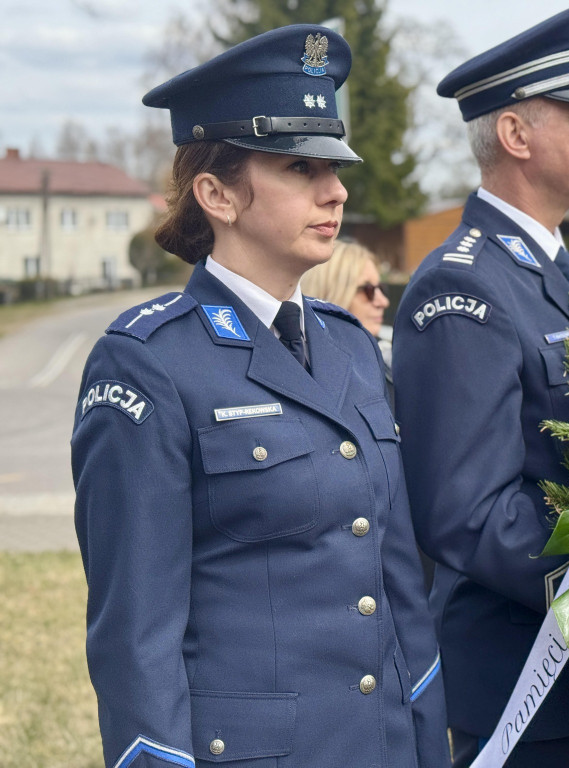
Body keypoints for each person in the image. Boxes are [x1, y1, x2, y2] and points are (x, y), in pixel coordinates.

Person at [71, 25, 448, 768]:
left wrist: (423, 729)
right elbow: (134, 634)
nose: (335, 189)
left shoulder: (350, 346)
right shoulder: (149, 364)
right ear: (216, 194)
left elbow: (398, 577)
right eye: (299, 166)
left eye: (334, 166)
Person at [392, 4, 569, 766]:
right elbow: (466, 513)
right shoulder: (462, 291)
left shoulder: (547, 272)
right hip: (523, 679)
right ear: (515, 134)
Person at [303, 240, 392, 374]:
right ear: (331, 292)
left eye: (381, 288)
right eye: (368, 290)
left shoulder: (386, 360)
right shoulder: (305, 363)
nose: (384, 302)